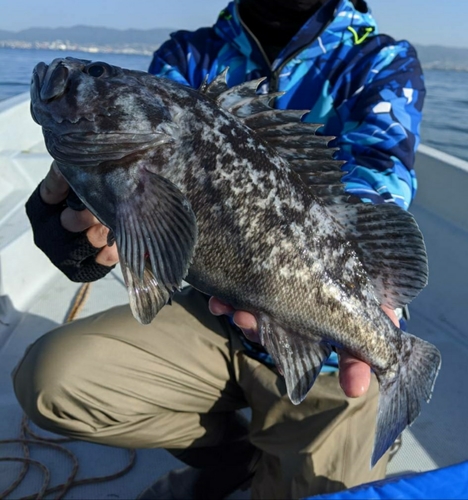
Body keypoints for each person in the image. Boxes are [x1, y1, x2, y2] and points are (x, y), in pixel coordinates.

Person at [14, 0, 425, 498]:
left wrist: (336, 273)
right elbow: (149, 219)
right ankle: (236, 457)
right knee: (52, 383)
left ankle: (297, 442)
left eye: (96, 74)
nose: (74, 77)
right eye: (93, 75)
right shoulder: (190, 55)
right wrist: (77, 226)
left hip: (328, 352)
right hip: (216, 312)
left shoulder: (380, 60)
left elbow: (379, 170)